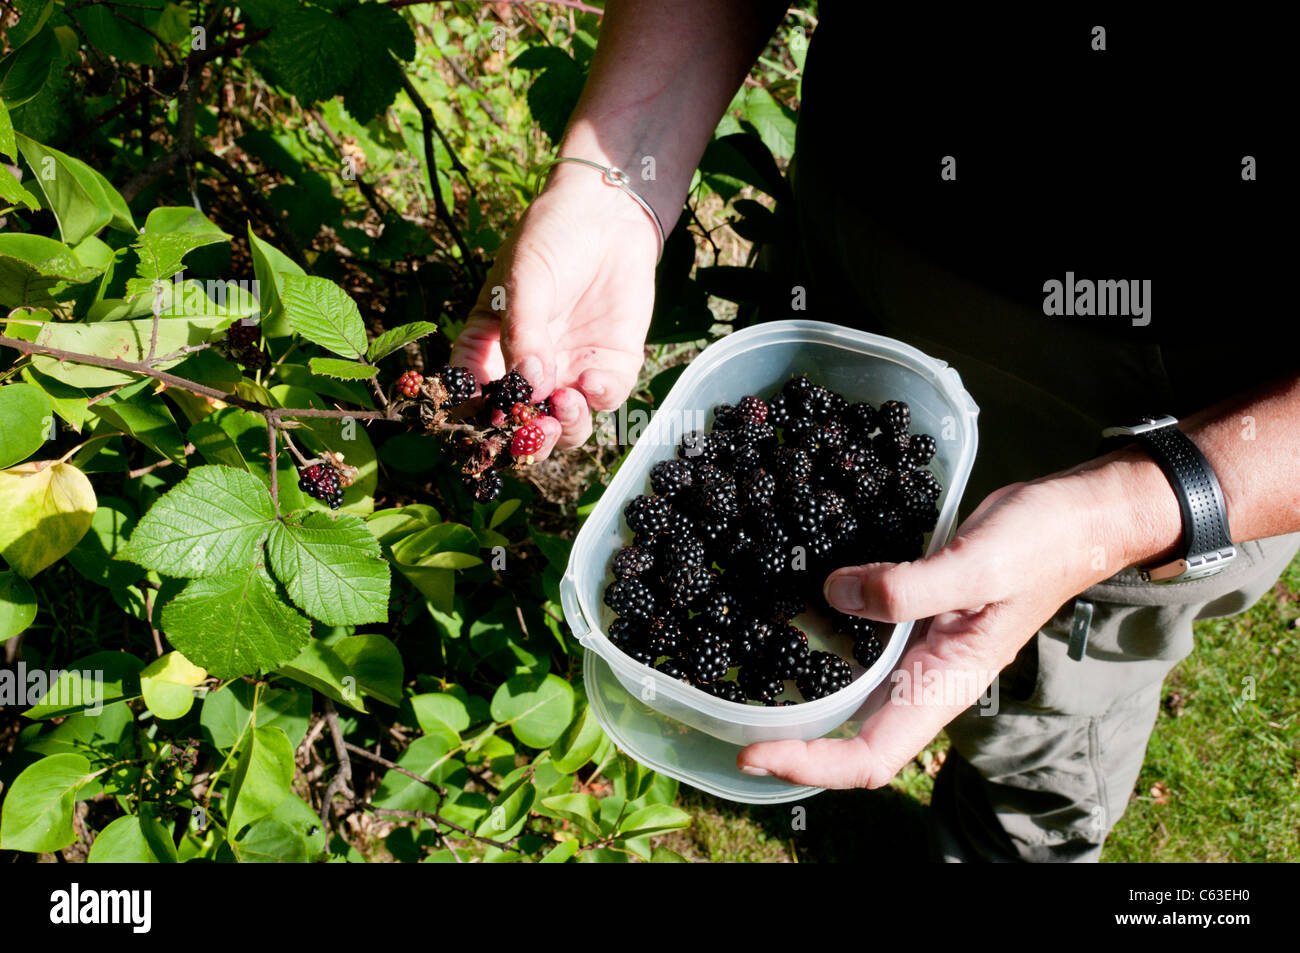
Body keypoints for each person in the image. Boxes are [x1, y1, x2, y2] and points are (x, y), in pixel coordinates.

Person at [451, 2, 1299, 861]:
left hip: (1170, 436)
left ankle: (996, 842)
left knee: (1038, 726)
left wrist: (1124, 513)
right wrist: (617, 187)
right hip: (841, 298)